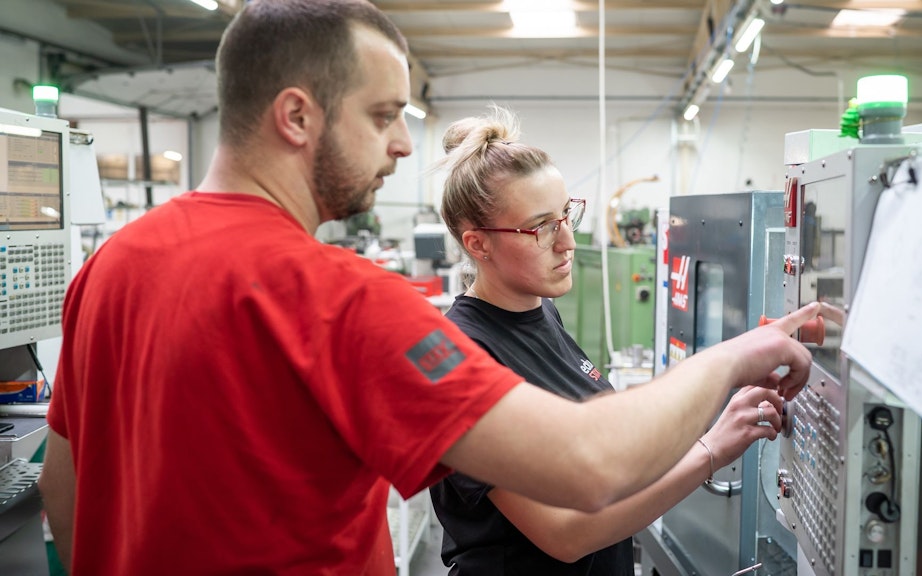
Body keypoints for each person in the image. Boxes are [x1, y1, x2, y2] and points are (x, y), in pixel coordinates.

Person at [38, 1, 820, 574]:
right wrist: (734, 356)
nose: (403, 142)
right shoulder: (335, 297)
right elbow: (587, 465)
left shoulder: (110, 268)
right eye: (383, 115)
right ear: (297, 116)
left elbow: (64, 503)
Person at [430, 106, 788, 575]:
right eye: (540, 227)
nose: (567, 242)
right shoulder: (462, 356)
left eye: (566, 215)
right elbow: (567, 534)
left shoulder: (541, 313)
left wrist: (705, 425)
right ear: (477, 244)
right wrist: (711, 450)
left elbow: (601, 457)